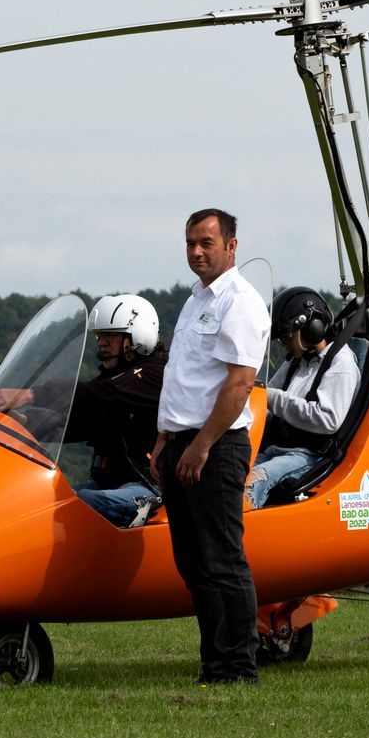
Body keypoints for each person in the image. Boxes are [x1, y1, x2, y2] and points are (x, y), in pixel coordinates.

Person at [151, 208, 270, 685]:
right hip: (182, 442)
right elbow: (183, 377)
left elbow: (239, 384)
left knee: (222, 559)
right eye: (190, 243)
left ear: (231, 246)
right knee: (194, 563)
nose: (196, 252)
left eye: (206, 243)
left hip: (216, 446)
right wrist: (164, 439)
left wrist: (201, 446)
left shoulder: (240, 302)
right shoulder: (194, 300)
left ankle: (239, 667)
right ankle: (214, 664)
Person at [0, 294, 165, 528]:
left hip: (149, 487)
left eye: (110, 335)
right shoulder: (113, 381)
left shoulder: (154, 374)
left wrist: (30, 394)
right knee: (41, 503)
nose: (102, 343)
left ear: (138, 336)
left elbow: (93, 394)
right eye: (99, 335)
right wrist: (24, 422)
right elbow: (77, 422)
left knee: (79, 503)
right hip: (108, 483)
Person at [245, 286, 359, 509]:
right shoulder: (297, 360)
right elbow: (265, 397)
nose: (283, 343)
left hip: (307, 456)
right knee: (228, 475)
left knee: (250, 483)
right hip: (275, 449)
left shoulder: (341, 364)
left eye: (287, 336)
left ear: (312, 329)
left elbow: (328, 419)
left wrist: (272, 398)